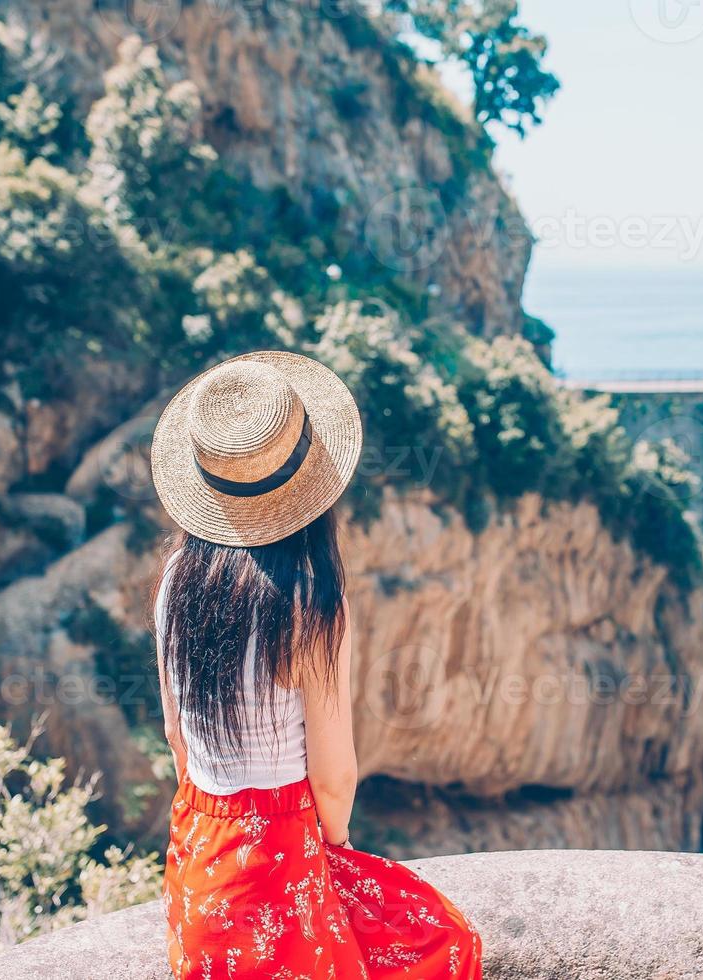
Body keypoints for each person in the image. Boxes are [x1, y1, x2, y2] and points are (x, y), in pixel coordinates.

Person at [150, 351, 481, 979]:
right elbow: (332, 777)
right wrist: (336, 853)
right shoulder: (308, 600)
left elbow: (177, 738)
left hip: (198, 853)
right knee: (445, 942)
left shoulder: (174, 583)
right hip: (282, 852)